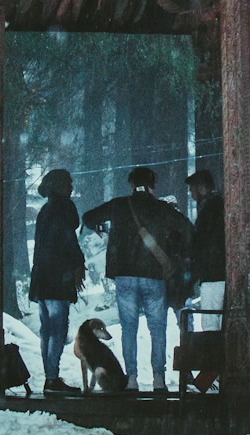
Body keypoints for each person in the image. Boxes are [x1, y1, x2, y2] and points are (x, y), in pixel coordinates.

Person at [82, 166, 191, 392]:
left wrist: (100, 227)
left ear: (131, 185)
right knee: (157, 329)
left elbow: (88, 217)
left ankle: (131, 378)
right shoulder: (161, 208)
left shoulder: (119, 205)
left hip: (125, 275)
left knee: (129, 329)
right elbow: (187, 229)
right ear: (152, 185)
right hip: (153, 276)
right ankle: (158, 378)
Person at [28, 168, 85, 395]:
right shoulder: (63, 209)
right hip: (58, 279)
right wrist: (78, 264)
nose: (71, 187)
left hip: (42, 279)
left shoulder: (45, 211)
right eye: (68, 183)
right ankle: (52, 379)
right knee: (57, 330)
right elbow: (69, 241)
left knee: (47, 331)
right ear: (60, 186)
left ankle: (50, 377)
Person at [186, 169, 225, 333]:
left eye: (192, 189)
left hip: (212, 274)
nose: (191, 193)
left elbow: (202, 243)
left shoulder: (209, 209)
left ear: (201, 187)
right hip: (218, 272)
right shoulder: (217, 204)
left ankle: (213, 349)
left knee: (211, 323)